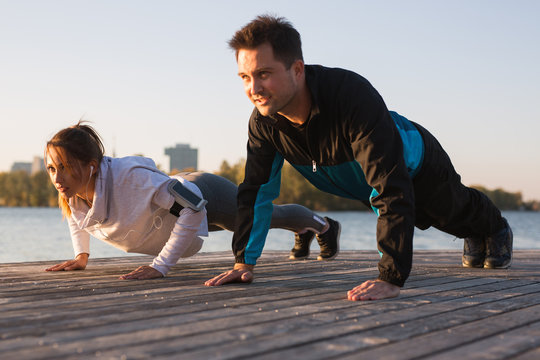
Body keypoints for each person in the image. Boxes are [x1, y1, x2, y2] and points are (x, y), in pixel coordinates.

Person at [204, 15, 513, 300]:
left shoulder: (350, 97)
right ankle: (472, 232)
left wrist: (390, 277)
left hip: (416, 162)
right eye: (244, 77)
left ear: (297, 69)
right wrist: (244, 263)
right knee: (426, 219)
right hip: (364, 183)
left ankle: (495, 228)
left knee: (450, 210)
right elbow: (256, 192)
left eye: (263, 74)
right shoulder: (264, 122)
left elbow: (389, 185)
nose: (253, 88)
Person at [44, 122, 336, 279]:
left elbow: (193, 208)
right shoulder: (75, 191)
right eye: (52, 168)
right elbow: (77, 218)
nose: (57, 178)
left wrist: (161, 266)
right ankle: (303, 231)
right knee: (255, 221)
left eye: (66, 168)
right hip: (171, 209)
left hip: (202, 193)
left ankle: (322, 226)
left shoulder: (131, 180)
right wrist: (81, 257)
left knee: (266, 216)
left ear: (91, 166)